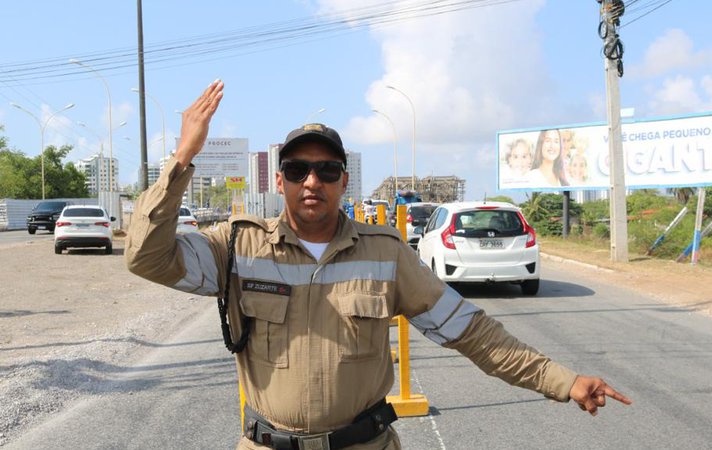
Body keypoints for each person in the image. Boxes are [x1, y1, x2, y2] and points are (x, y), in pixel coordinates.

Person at [126, 80, 631, 450]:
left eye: (326, 170)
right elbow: (146, 257)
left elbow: (472, 333)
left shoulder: (385, 253)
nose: (311, 182)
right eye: (298, 169)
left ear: (344, 181)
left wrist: (562, 380)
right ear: (279, 181)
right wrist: (182, 158)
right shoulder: (236, 248)